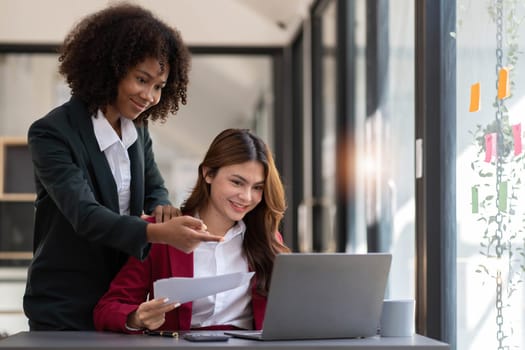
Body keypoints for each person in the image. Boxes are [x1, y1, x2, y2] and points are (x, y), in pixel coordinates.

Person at [23, 3, 223, 331]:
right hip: (65, 304)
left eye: (159, 86)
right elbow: (85, 215)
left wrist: (163, 209)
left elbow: (154, 187)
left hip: (120, 300)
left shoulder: (137, 131)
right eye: (141, 80)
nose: (150, 96)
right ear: (111, 69)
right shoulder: (52, 133)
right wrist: (160, 234)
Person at [94, 128, 291, 333]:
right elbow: (107, 309)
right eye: (237, 182)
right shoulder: (163, 234)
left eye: (258, 187)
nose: (247, 197)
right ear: (208, 173)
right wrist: (137, 317)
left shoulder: (267, 240)